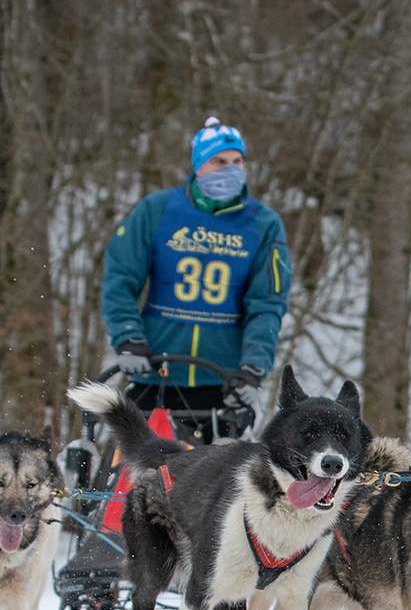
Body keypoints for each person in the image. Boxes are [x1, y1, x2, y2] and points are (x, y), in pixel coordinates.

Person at [100, 116, 292, 440]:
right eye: (219, 161)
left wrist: (252, 369)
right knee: (131, 474)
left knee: (210, 484)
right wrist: (127, 338)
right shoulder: (157, 209)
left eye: (237, 161)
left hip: (221, 383)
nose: (229, 169)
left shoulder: (264, 223)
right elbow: (119, 278)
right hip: (154, 373)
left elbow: (267, 304)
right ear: (198, 164)